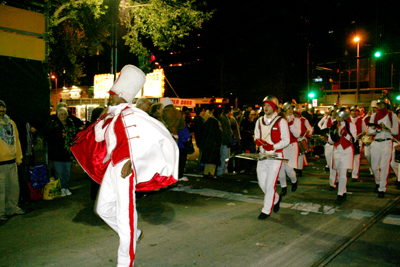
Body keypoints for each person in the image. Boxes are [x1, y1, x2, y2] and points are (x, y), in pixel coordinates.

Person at [83, 65, 179, 266]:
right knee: (102, 209)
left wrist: (133, 162)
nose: (110, 97)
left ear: (122, 96)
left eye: (113, 94)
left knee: (125, 214)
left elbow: (152, 139)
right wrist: (102, 120)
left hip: (125, 169)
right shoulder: (112, 115)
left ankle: (125, 262)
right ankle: (135, 234)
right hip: (112, 166)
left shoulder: (134, 115)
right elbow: (101, 137)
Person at [254, 95, 290, 220]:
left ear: (275, 107)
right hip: (262, 156)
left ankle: (266, 210)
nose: (266, 107)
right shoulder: (259, 121)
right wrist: (258, 141)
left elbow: (286, 140)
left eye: (269, 105)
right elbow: (256, 135)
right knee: (261, 183)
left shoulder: (282, 121)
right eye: (264, 105)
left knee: (270, 184)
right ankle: (276, 198)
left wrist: (273, 146)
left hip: (275, 156)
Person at [368, 96, 399, 198]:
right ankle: (378, 181)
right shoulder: (374, 115)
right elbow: (369, 130)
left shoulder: (392, 115)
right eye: (379, 104)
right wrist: (377, 130)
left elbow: (396, 131)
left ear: (386, 105)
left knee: (384, 166)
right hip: (376, 142)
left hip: (387, 142)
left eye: (382, 104)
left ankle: (382, 188)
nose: (380, 106)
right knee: (374, 166)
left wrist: (386, 129)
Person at [44, 106, 78, 197]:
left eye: (64, 114)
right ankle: (61, 188)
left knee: (67, 172)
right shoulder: (53, 124)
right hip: (56, 153)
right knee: (59, 172)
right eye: (61, 114)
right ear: (57, 115)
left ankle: (66, 187)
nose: (63, 116)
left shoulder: (70, 123)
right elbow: (48, 137)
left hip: (67, 153)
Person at [0, 100, 25, 221]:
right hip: (1, 163)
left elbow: (17, 141)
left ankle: (12, 208)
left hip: (12, 161)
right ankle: (1, 213)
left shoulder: (11, 123)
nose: (2, 110)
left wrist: (18, 157)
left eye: (3, 108)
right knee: (1, 189)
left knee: (13, 187)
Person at [328, 107, 356, 205]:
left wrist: (345, 134)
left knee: (343, 172)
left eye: (338, 115)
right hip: (337, 150)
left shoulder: (351, 125)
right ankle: (343, 192)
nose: (336, 117)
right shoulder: (334, 125)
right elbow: (330, 141)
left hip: (346, 151)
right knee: (340, 173)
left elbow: (354, 140)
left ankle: (340, 194)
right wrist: (331, 135)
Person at [278, 102, 300, 196]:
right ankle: (283, 187)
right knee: (281, 168)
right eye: (289, 108)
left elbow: (297, 134)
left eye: (292, 108)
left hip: (291, 146)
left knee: (289, 169)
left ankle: (294, 181)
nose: (291, 110)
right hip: (282, 146)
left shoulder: (296, 120)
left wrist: (291, 124)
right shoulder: (280, 119)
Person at [200, 107, 222, 179]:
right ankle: (211, 173)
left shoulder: (208, 121)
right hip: (214, 143)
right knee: (213, 160)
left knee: (207, 159)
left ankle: (206, 173)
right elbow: (218, 134)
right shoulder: (216, 122)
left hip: (207, 143)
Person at [347, 105, 367, 181]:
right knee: (348, 157)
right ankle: (349, 170)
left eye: (356, 111)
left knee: (356, 158)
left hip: (358, 141)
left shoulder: (361, 120)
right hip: (348, 141)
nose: (354, 113)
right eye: (353, 111)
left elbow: (365, 131)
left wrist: (360, 135)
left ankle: (355, 175)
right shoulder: (347, 120)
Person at [294, 107, 313, 177]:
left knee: (301, 156)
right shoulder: (290, 120)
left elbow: (310, 128)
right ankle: (294, 169)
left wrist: (309, 131)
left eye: (297, 114)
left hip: (300, 139)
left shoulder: (304, 120)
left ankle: (299, 170)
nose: (296, 116)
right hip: (292, 140)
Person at [216, 106, 232, 176]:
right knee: (224, 156)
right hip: (225, 141)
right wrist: (228, 141)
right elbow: (225, 131)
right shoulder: (224, 118)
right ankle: (221, 171)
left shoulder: (225, 118)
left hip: (225, 141)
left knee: (225, 157)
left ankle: (223, 170)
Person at [192, 107, 206, 173]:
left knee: (202, 153)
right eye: (203, 111)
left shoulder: (197, 119)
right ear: (200, 112)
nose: (204, 112)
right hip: (201, 139)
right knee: (202, 154)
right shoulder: (199, 120)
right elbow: (202, 130)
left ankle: (200, 167)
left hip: (199, 139)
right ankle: (199, 168)